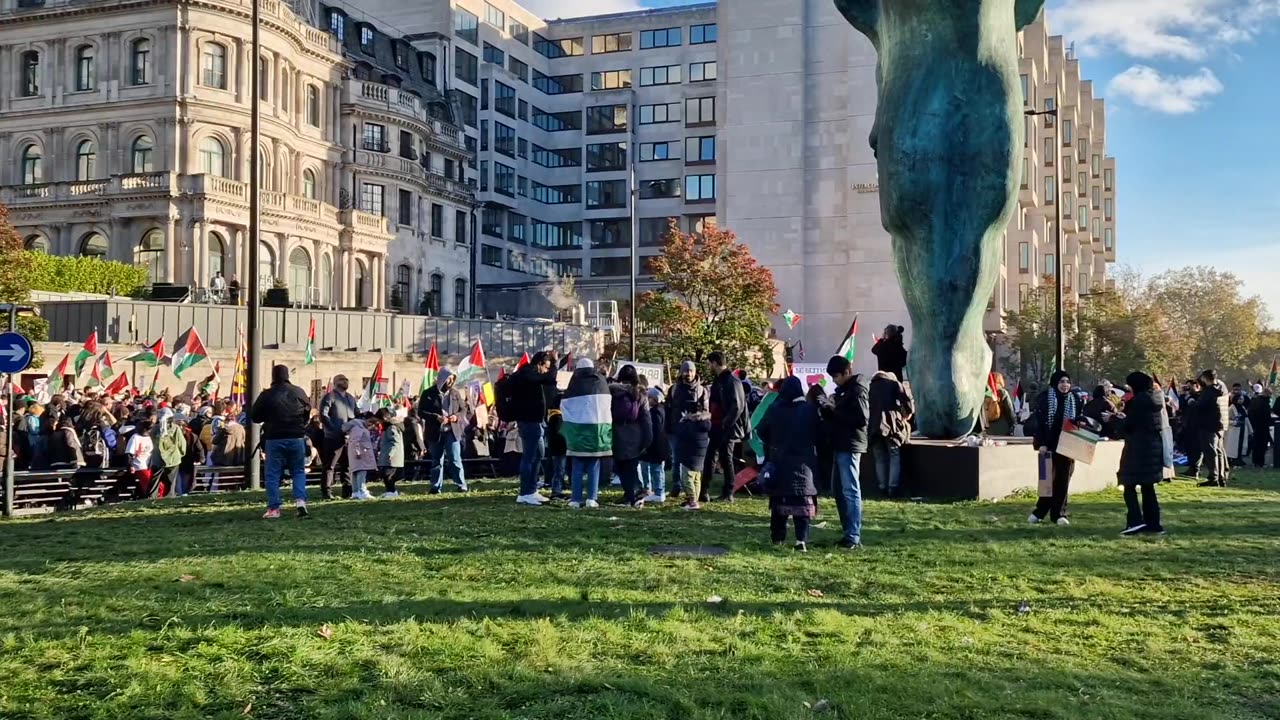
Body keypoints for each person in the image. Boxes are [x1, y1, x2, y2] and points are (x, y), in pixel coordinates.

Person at [757, 375, 820, 552]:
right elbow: (820, 434)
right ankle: (801, 541)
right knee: (803, 504)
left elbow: (761, 430)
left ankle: (778, 539)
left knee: (778, 504)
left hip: (780, 462)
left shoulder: (774, 409)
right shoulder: (809, 410)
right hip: (804, 465)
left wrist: (773, 444)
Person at [250, 364, 312, 519]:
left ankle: (274, 509)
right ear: (287, 376)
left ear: (273, 376)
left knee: (272, 474)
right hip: (296, 437)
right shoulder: (299, 392)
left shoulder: (267, 394)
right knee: (298, 471)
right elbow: (307, 412)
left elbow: (255, 417)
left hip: (274, 438)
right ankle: (300, 502)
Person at [1111, 372, 1167, 535]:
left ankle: (1135, 521)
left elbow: (1130, 425)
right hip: (1152, 446)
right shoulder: (1155, 398)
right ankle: (1154, 524)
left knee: (1128, 483)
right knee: (1148, 486)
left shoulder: (1139, 401)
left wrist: (1115, 419)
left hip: (1138, 448)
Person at [823, 355, 869, 549]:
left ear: (847, 372)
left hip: (850, 445)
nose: (835, 380)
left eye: (836, 376)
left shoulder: (857, 390)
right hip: (841, 442)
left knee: (850, 491)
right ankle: (848, 532)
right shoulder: (845, 390)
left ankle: (853, 535)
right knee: (839, 491)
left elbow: (862, 418)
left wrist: (835, 409)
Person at [1030, 370, 1085, 526]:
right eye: (1061, 382)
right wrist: (1041, 443)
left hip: (1068, 445)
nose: (1065, 385)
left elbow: (1080, 418)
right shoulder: (1045, 398)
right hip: (1048, 444)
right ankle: (1039, 511)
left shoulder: (1075, 399)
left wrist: (1082, 423)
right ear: (1055, 383)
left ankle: (1059, 514)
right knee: (1046, 480)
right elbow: (1039, 424)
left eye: (1067, 381)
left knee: (1063, 479)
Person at [503, 351, 558, 505]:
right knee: (530, 456)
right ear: (539, 364)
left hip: (535, 420)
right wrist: (554, 363)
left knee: (538, 453)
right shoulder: (526, 374)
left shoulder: (530, 375)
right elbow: (549, 378)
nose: (547, 371)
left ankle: (532, 489)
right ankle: (525, 492)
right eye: (546, 367)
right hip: (528, 420)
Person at [563, 358, 612, 509]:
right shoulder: (600, 381)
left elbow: (565, 404)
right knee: (594, 465)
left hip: (577, 431)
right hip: (596, 431)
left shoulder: (574, 383)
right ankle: (592, 497)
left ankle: (575, 499)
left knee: (577, 466)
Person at [704, 351, 749, 503]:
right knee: (714, 457)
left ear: (715, 363)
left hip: (726, 427)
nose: (708, 366)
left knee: (725, 459)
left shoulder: (731, 381)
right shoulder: (722, 381)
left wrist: (725, 423)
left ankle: (728, 491)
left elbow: (737, 406)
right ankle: (705, 490)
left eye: (710, 363)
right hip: (718, 425)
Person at [419, 368, 471, 495]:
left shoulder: (455, 393)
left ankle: (461, 484)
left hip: (452, 431)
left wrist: (456, 416)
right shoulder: (428, 393)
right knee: (437, 460)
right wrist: (436, 417)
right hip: (435, 432)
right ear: (442, 378)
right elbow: (421, 412)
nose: (450, 381)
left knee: (455, 458)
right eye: (448, 378)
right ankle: (436, 487)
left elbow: (463, 409)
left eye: (452, 379)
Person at [610, 364, 653, 508]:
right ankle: (631, 495)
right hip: (635, 434)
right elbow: (646, 419)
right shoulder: (640, 394)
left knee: (620, 467)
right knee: (631, 467)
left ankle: (629, 495)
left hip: (616, 432)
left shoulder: (613, 393)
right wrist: (647, 440)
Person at [868, 366, 914, 496]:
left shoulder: (870, 387)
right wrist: (907, 413)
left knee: (879, 458)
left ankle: (882, 487)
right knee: (894, 455)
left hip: (874, 427)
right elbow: (908, 402)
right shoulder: (893, 384)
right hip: (892, 426)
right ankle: (892, 487)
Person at [318, 375, 358, 499]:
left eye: (346, 379)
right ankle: (327, 492)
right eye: (342, 380)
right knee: (330, 465)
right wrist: (334, 429)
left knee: (347, 465)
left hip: (348, 437)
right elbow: (323, 415)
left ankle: (347, 491)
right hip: (333, 438)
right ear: (335, 383)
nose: (345, 381)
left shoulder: (350, 398)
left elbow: (356, 413)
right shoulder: (330, 397)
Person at [1195, 369, 1230, 488]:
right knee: (1219, 451)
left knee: (1210, 451)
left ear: (1205, 378)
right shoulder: (1222, 388)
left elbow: (1201, 407)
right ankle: (1221, 476)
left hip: (1209, 424)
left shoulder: (1208, 392)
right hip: (1221, 423)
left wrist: (1194, 400)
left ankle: (1213, 477)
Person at [641, 387, 671, 504]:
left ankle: (659, 492)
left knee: (656, 470)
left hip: (657, 446)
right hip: (660, 446)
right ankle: (658, 491)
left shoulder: (656, 412)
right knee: (657, 469)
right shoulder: (661, 410)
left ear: (654, 399)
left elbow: (656, 429)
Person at [343, 417, 378, 500]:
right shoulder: (358, 428)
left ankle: (355, 492)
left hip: (358, 452)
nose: (372, 426)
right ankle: (362, 491)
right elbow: (355, 441)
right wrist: (357, 452)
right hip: (361, 453)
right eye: (371, 423)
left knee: (355, 471)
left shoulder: (357, 427)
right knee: (361, 471)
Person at [375, 408, 405, 498]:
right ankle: (390, 491)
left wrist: (390, 454)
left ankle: (392, 492)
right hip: (387, 455)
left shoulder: (391, 428)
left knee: (388, 475)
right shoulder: (388, 427)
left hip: (391, 457)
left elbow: (394, 442)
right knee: (385, 475)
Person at [126, 419, 155, 497]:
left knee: (157, 482)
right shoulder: (135, 437)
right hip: (139, 465)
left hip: (150, 464)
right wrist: (131, 465)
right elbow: (130, 452)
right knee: (147, 480)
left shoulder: (151, 438)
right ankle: (149, 496)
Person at [1248, 386, 1274, 468]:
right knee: (1262, 445)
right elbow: (1266, 414)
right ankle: (1260, 462)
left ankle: (1255, 461)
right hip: (1263, 426)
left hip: (1255, 426)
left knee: (1256, 445)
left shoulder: (1255, 401)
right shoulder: (1264, 403)